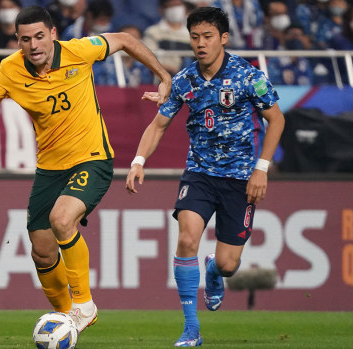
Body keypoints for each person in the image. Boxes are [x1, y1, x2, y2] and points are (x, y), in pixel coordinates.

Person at [0, 5, 171, 334]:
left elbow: (125, 39)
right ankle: (66, 319)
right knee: (42, 253)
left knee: (62, 220)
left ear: (53, 35)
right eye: (25, 39)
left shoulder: (79, 51)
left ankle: (84, 306)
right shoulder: (11, 69)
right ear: (17, 42)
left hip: (92, 158)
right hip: (49, 168)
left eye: (39, 37)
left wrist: (163, 75)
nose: (33, 45)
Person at [125, 7, 284, 347]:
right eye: (195, 37)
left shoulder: (247, 75)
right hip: (199, 174)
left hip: (241, 179)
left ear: (224, 38)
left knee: (229, 264)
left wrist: (261, 169)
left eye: (207, 36)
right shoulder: (184, 80)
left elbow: (277, 120)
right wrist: (138, 160)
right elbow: (159, 124)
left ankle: (214, 271)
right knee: (186, 239)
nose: (200, 43)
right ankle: (191, 328)